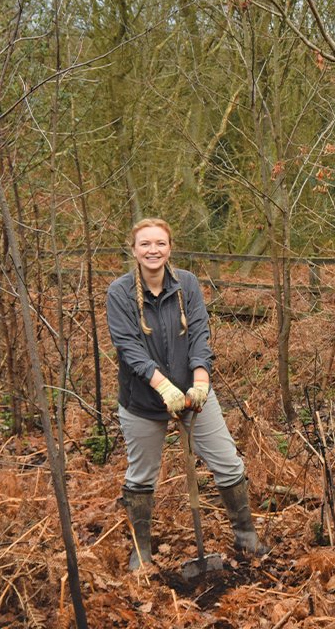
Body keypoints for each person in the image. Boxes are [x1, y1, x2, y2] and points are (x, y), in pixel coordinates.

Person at [106, 217, 269, 571]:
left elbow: (199, 334)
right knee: (141, 476)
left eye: (160, 243)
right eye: (145, 244)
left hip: (193, 395)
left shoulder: (187, 285)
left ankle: (246, 536)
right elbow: (128, 347)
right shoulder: (119, 293)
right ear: (133, 250)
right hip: (143, 402)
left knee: (227, 463)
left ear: (170, 247)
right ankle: (142, 551)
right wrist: (162, 385)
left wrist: (200, 381)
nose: (153, 250)